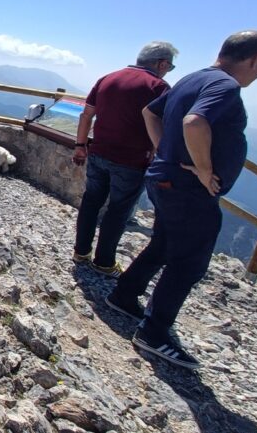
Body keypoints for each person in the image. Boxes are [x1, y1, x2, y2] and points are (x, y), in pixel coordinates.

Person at [105, 30, 257, 369]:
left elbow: (150, 114)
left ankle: (124, 294)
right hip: (187, 188)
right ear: (256, 59)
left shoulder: (191, 79)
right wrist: (203, 168)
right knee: (190, 262)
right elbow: (195, 122)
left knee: (164, 244)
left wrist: (165, 150)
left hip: (165, 178)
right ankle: (153, 332)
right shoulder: (225, 86)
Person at [72, 41, 178, 277]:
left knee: (91, 202)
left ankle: (80, 252)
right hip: (131, 160)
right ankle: (104, 262)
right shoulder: (159, 87)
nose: (168, 71)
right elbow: (164, 125)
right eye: (169, 66)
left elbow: (87, 114)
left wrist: (80, 145)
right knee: (118, 211)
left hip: (98, 152)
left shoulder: (107, 78)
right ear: (161, 63)